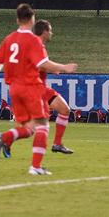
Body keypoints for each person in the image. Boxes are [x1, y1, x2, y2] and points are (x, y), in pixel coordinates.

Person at [0, 3, 77, 175]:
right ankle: (35, 166)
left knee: (29, 128)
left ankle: (4, 138)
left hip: (14, 88)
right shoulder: (33, 40)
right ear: (32, 19)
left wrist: (3, 69)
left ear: (17, 20)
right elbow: (42, 64)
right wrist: (64, 67)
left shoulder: (9, 39)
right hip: (31, 87)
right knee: (43, 126)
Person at [33, 19, 73, 154]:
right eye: (50, 30)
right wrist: (63, 67)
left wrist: (51, 69)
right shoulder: (37, 45)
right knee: (34, 127)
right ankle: (5, 139)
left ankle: (57, 144)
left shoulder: (36, 45)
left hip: (38, 88)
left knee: (64, 110)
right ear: (44, 32)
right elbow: (41, 64)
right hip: (36, 88)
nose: (51, 33)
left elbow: (40, 64)